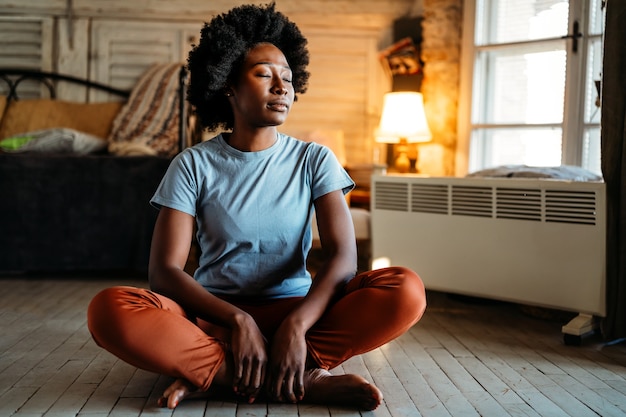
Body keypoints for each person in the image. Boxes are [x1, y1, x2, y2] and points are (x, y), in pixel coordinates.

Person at [87, 2, 426, 411]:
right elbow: (165, 272)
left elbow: (342, 257)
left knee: (405, 289)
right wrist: (238, 321)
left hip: (301, 315)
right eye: (265, 74)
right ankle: (299, 381)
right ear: (228, 85)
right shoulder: (192, 164)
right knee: (110, 309)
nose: (282, 87)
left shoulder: (315, 159)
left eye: (287, 78)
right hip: (214, 318)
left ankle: (219, 375)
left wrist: (297, 326)